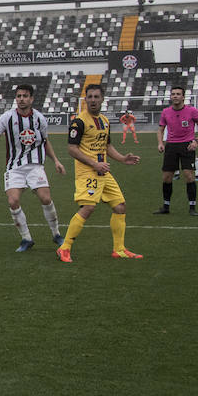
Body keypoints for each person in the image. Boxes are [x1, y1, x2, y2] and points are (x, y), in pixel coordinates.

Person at [57, 83, 142, 262]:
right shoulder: (79, 121)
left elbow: (107, 146)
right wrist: (94, 164)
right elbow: (72, 149)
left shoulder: (104, 120)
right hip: (87, 172)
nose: (93, 100)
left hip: (103, 171)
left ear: (102, 99)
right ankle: (64, 248)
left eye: (96, 97)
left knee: (120, 206)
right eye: (90, 97)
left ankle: (119, 249)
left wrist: (121, 159)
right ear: (85, 99)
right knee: (88, 207)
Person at [0, 84, 67, 252]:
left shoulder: (39, 119)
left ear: (31, 99)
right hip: (14, 167)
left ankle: (56, 234)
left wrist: (56, 161)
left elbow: (45, 142)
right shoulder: (7, 117)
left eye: (25, 96)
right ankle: (26, 238)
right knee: (13, 201)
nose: (21, 99)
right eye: (19, 96)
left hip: (35, 165)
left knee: (45, 198)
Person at [154, 85, 198, 216]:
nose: (175, 96)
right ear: (171, 97)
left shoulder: (192, 111)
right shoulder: (166, 112)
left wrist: (196, 141)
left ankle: (192, 207)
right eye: (173, 94)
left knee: (189, 176)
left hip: (187, 146)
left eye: (178, 94)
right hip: (171, 146)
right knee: (166, 177)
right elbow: (160, 129)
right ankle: (166, 207)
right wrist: (160, 143)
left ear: (183, 97)